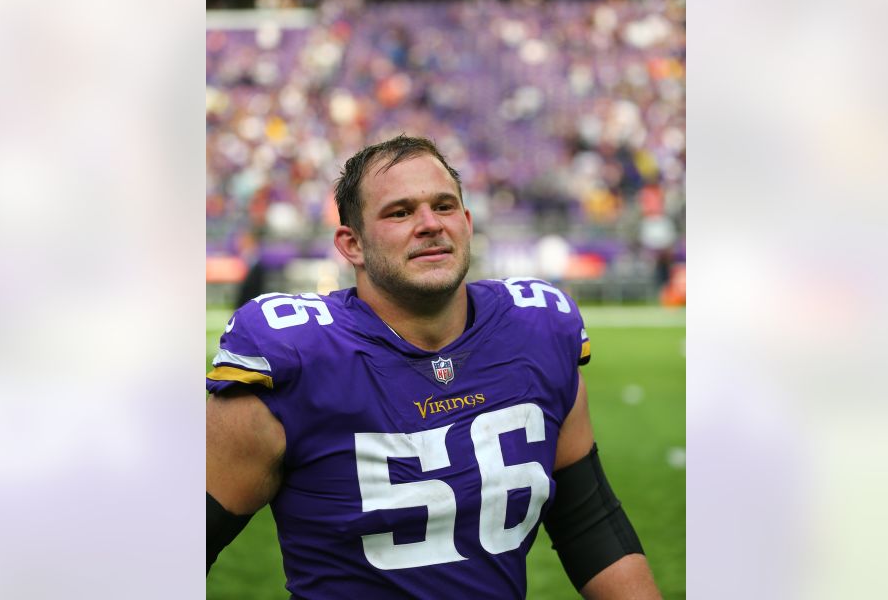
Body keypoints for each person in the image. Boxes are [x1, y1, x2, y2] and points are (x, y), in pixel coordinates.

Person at [207, 135, 662, 599]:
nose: (429, 224)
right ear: (352, 244)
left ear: (466, 223)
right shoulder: (295, 357)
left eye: (443, 206)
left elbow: (590, 523)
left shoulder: (537, 332)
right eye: (400, 212)